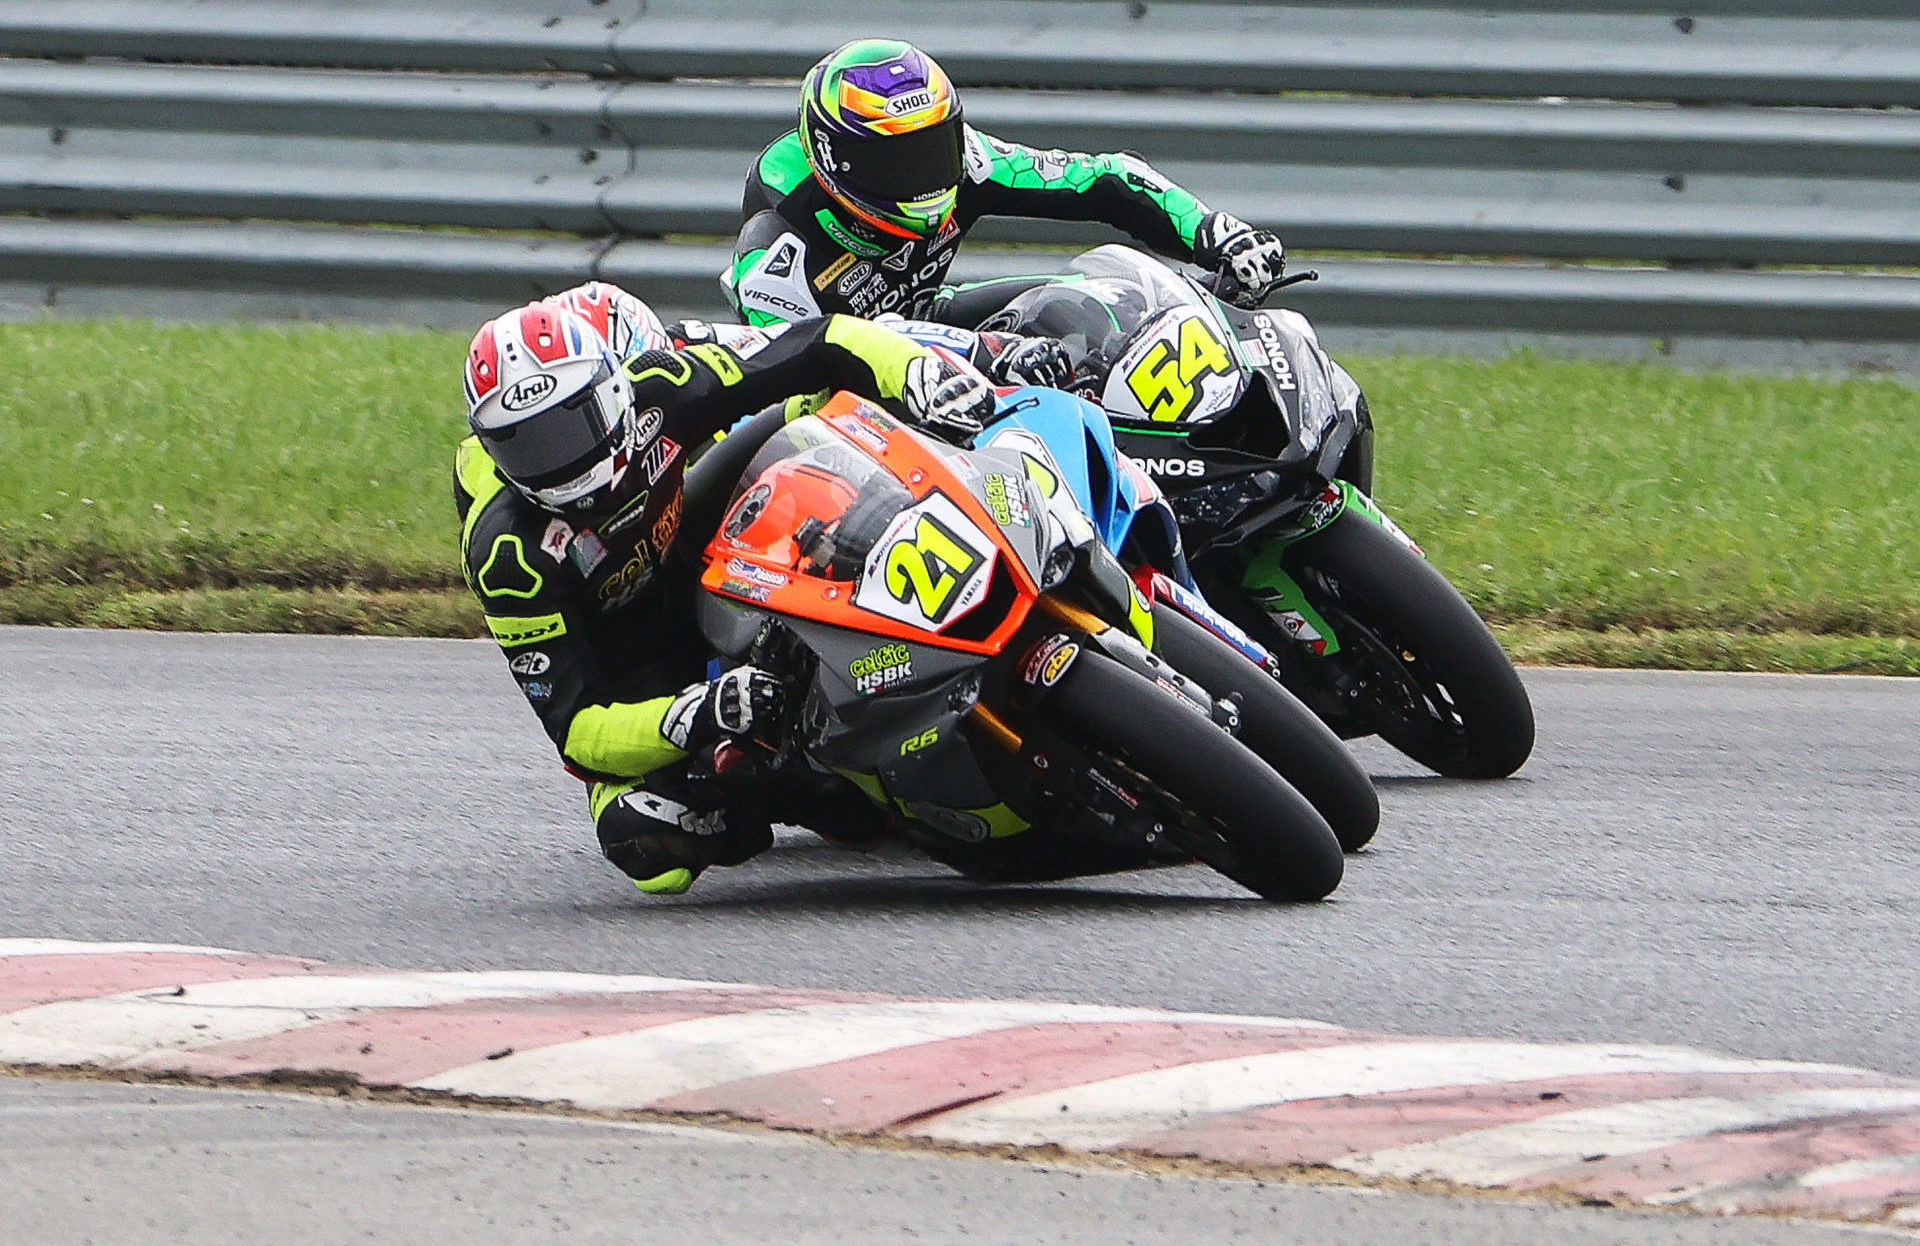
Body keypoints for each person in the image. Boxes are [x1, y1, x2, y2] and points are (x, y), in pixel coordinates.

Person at [455, 288, 997, 896]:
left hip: (690, 539)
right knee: (644, 840)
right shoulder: (508, 556)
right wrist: (692, 717)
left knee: (816, 411)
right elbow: (579, 732)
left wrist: (914, 372)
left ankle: (939, 543)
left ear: (610, 394)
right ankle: (781, 781)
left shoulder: (658, 389)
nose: (556, 463)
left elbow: (819, 342)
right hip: (634, 667)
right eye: (523, 446)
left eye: (567, 428)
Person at [724, 38, 1289, 330]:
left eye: (933, 147)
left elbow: (1104, 178)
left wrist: (1217, 233)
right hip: (842, 415)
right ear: (834, 159)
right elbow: (795, 388)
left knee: (1096, 306)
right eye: (900, 162)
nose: (925, 176)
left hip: (932, 327)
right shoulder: (777, 246)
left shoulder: (965, 161)